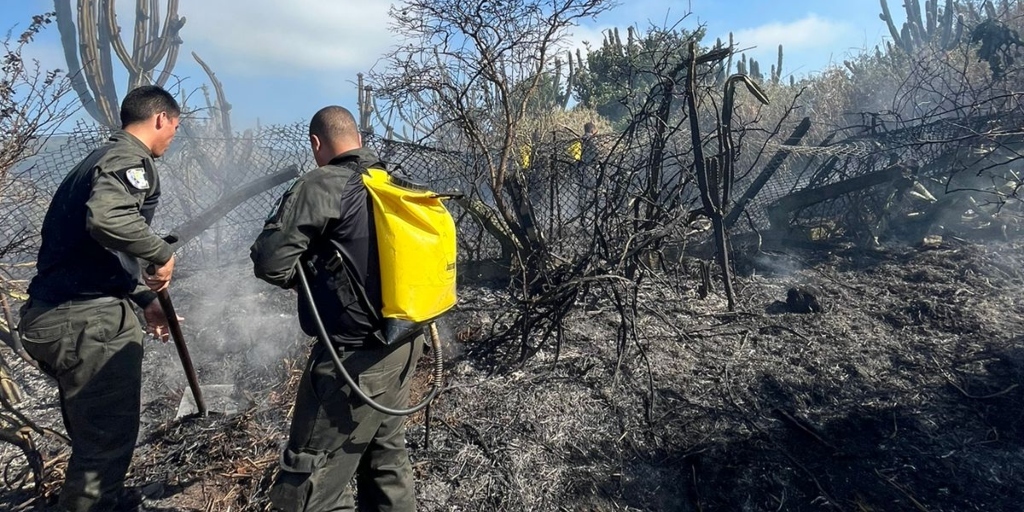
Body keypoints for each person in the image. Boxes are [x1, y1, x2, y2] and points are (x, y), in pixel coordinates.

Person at [251, 105, 423, 512]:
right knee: (386, 462)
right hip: (404, 345)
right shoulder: (393, 183)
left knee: (310, 482)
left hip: (354, 361)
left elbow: (271, 263)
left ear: (316, 143)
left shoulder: (322, 184)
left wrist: (313, 274)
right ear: (358, 139)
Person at [17, 85, 180, 511]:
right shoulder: (129, 159)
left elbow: (96, 251)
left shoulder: (95, 161)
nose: (172, 139)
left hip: (59, 314)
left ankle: (103, 498)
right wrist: (160, 254)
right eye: (174, 128)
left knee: (94, 437)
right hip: (87, 322)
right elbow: (107, 218)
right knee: (105, 442)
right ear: (160, 118)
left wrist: (143, 296)